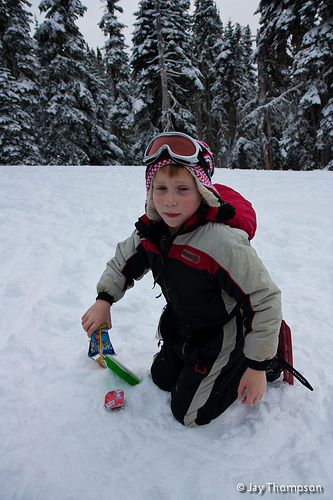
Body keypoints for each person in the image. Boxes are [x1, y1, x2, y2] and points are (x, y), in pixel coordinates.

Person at [82, 132, 282, 427]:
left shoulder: (222, 243)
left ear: (202, 190)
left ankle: (263, 360)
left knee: (189, 414)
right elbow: (123, 260)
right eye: (160, 188)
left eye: (182, 189)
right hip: (185, 326)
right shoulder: (152, 231)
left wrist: (257, 365)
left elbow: (264, 299)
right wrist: (104, 299)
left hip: (224, 331)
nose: (170, 201)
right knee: (161, 380)